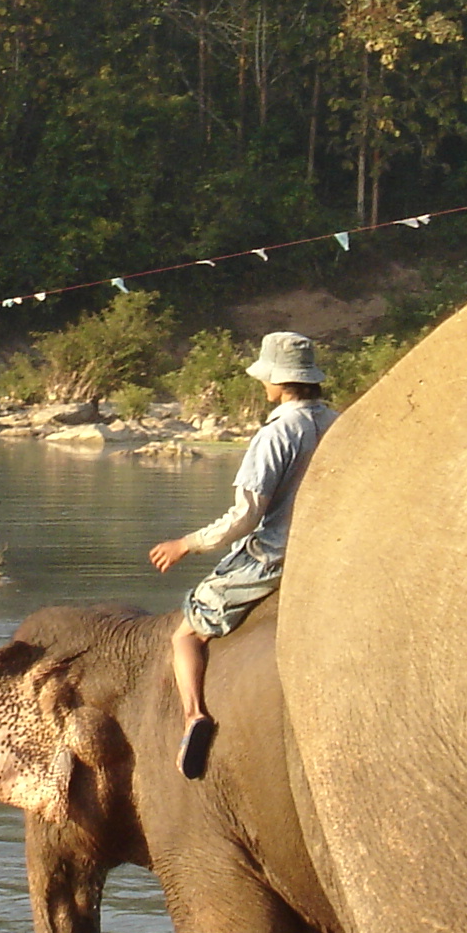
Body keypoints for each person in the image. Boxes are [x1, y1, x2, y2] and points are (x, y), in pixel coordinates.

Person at [147, 331, 337, 780]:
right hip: (328, 550)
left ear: (277, 380)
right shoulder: (336, 421)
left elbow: (245, 516)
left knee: (186, 632)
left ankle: (194, 717)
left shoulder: (278, 432)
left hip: (274, 556)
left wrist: (186, 544)